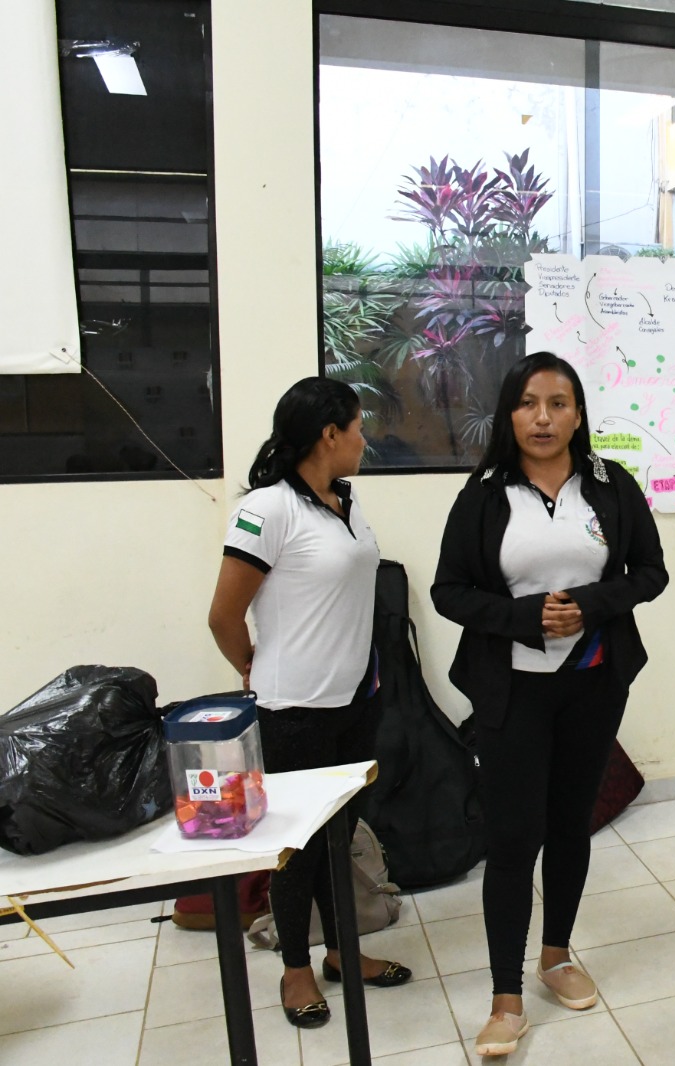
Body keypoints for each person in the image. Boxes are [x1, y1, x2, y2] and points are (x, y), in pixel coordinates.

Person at [432, 352, 667, 1058]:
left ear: (578, 414)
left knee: (570, 826)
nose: (543, 418)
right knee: (513, 838)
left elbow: (650, 572)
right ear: (509, 414)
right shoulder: (484, 493)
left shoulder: (610, 485)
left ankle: (557, 955)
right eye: (529, 403)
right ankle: (505, 999)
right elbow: (449, 591)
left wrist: (590, 605)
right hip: (511, 690)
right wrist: (524, 616)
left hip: (593, 683)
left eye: (558, 403)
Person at [207, 378, 412, 1030]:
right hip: (294, 707)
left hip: (355, 700)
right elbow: (223, 615)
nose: (364, 439)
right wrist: (250, 664)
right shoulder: (268, 509)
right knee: (297, 847)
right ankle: (295, 967)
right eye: (357, 427)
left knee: (339, 838)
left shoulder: (345, 501)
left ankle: (341, 952)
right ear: (329, 434)